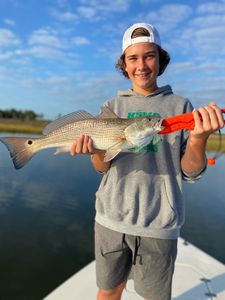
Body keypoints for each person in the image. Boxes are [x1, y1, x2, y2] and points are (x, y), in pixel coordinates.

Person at [70, 23, 224, 300]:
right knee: (109, 290)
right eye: (133, 58)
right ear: (124, 65)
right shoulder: (111, 107)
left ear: (160, 59)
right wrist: (94, 152)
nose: (141, 65)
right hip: (111, 220)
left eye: (149, 55)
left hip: (160, 224)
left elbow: (190, 172)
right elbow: (102, 167)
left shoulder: (181, 106)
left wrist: (200, 138)